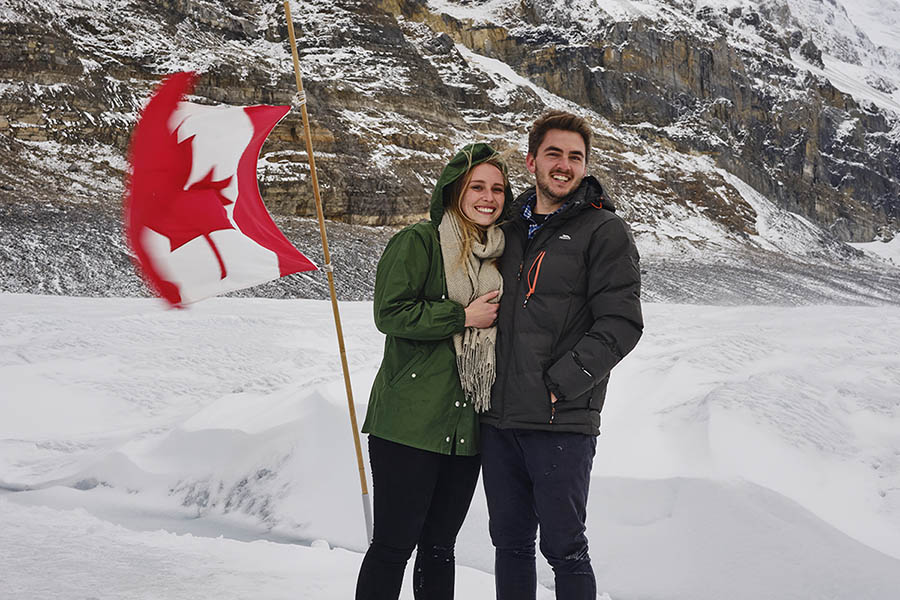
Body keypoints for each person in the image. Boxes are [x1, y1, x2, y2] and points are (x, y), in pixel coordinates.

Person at [480, 111, 644, 599]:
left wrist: (561, 385)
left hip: (560, 421)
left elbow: (621, 322)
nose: (564, 165)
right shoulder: (506, 228)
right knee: (509, 545)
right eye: (554, 153)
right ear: (532, 161)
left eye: (575, 157)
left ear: (585, 166)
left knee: (565, 548)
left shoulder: (603, 231)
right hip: (498, 418)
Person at [356, 143, 514, 600]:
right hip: (409, 423)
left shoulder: (499, 256)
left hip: (466, 427)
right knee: (392, 546)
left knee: (440, 549)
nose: (489, 197)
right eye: (477, 187)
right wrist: (461, 317)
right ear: (453, 192)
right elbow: (391, 313)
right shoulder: (419, 241)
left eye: (498, 189)